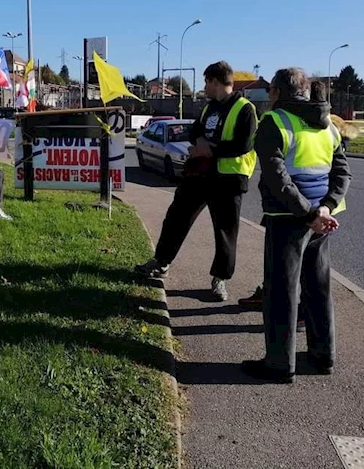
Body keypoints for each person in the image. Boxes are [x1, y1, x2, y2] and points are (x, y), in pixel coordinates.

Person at [242, 68, 352, 384]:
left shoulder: (274, 122)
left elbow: (278, 179)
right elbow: (342, 174)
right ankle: (323, 356)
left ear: (276, 92)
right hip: (321, 222)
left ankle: (279, 364)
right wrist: (325, 209)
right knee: (318, 288)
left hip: (289, 219)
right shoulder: (328, 125)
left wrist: (308, 214)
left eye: (269, 93)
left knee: (281, 291)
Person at [134, 61, 258, 301]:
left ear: (215, 81)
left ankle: (220, 279)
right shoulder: (208, 108)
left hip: (229, 179)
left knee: (225, 232)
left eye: (206, 82)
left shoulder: (245, 108)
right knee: (176, 216)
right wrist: (199, 140)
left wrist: (209, 150)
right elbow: (194, 130)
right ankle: (161, 262)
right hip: (200, 175)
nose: (204, 87)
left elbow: (244, 145)